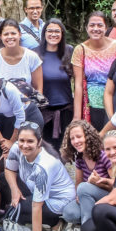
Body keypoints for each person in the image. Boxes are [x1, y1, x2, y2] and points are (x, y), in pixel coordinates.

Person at [4, 122, 76, 231]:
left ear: (39, 142)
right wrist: (15, 190)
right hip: (34, 188)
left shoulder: (45, 166)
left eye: (30, 141)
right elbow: (9, 170)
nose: (25, 145)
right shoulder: (16, 147)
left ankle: (56, 222)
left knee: (17, 209)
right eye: (22, 140)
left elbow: (37, 206)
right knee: (4, 183)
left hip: (58, 201)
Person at [58, 120, 114, 231]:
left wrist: (99, 181)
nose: (76, 141)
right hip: (88, 197)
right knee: (69, 213)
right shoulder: (80, 158)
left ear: (87, 136)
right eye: (72, 138)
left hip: (106, 196)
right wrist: (79, 195)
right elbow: (78, 183)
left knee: (84, 188)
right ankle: (94, 225)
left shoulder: (103, 155)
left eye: (79, 137)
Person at [0, 60, 44, 158]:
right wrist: (3, 142)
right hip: (10, 120)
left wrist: (12, 141)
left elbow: (20, 115)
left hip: (28, 115)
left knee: (27, 153)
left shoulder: (8, 89)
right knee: (5, 156)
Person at [71, 12, 116, 130]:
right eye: (92, 25)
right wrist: (76, 116)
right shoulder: (80, 50)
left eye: (100, 25)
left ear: (106, 28)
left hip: (114, 101)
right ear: (86, 28)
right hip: (91, 105)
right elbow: (78, 84)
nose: (96, 29)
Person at [39, 19, 73, 150]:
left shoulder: (69, 51)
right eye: (50, 31)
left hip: (65, 111)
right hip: (44, 112)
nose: (53, 34)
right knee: (46, 151)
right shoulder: (35, 53)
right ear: (44, 33)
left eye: (57, 31)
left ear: (62, 33)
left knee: (64, 152)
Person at [0, 20, 44, 97]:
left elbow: (38, 89)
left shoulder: (32, 57)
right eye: (6, 34)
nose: (10, 37)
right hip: (3, 107)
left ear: (20, 35)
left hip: (28, 106)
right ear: (0, 36)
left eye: (13, 33)